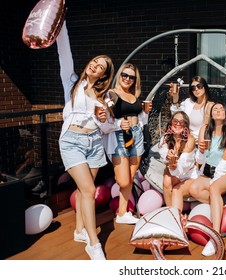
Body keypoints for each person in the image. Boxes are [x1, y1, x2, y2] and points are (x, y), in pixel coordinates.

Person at [56, 21, 114, 260]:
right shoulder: (72, 82)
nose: (95, 65)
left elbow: (106, 127)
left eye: (100, 66)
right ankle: (93, 243)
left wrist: (102, 117)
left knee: (83, 191)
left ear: (102, 75)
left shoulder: (103, 96)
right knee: (89, 190)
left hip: (93, 144)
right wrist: (60, 23)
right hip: (71, 141)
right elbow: (63, 50)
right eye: (95, 61)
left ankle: (80, 230)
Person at [101, 63, 150, 224]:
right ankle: (122, 212)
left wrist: (145, 113)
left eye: (131, 77)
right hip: (119, 137)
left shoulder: (134, 95)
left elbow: (142, 121)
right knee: (123, 180)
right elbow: (105, 121)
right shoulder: (110, 94)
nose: (127, 79)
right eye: (124, 75)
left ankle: (122, 213)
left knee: (130, 176)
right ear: (119, 76)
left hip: (137, 136)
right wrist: (118, 124)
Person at [189, 102, 226, 257]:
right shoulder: (204, 129)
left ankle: (215, 236)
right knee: (193, 189)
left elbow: (224, 162)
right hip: (209, 172)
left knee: (214, 188)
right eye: (215, 109)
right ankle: (219, 203)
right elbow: (200, 158)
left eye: (221, 109)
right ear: (211, 114)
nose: (218, 111)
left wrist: (213, 186)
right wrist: (201, 151)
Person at [158, 111, 198, 207]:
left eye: (182, 122)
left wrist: (172, 165)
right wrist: (168, 157)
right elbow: (163, 154)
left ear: (185, 126)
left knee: (172, 183)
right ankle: (171, 211)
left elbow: (183, 166)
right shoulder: (165, 138)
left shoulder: (190, 139)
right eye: (175, 121)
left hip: (188, 175)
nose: (178, 124)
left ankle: (174, 213)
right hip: (174, 174)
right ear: (171, 123)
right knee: (167, 179)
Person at [169, 76, 214, 142]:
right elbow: (175, 115)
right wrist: (175, 97)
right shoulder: (188, 102)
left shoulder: (210, 106)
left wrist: (191, 137)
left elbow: (208, 129)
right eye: (193, 88)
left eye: (199, 86)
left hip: (199, 142)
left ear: (205, 87)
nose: (196, 89)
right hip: (183, 139)